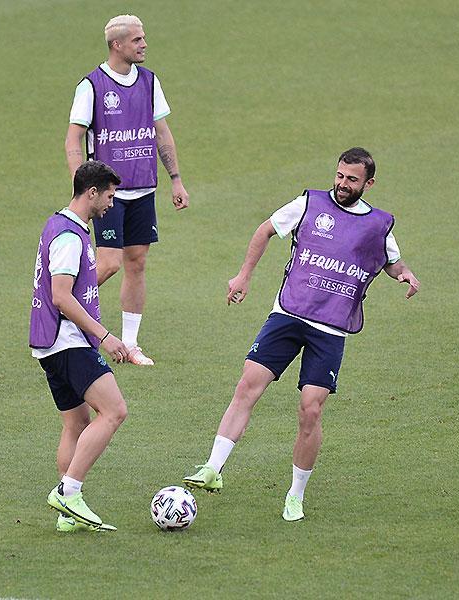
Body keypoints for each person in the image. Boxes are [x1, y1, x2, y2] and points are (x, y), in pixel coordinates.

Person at [183, 148, 420, 521]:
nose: (342, 184)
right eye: (340, 175)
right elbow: (265, 230)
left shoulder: (378, 224)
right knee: (247, 385)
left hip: (330, 328)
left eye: (352, 179)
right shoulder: (309, 204)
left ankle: (295, 494)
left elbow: (391, 261)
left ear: (369, 184)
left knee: (310, 409)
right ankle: (213, 468)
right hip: (289, 314)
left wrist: (404, 273)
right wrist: (244, 275)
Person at [65, 14, 190, 366]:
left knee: (137, 262)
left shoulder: (149, 82)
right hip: (107, 194)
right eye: (137, 39)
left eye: (143, 38)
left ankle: (131, 345)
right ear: (117, 45)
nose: (144, 44)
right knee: (108, 263)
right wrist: (82, 186)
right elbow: (73, 139)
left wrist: (176, 179)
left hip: (143, 188)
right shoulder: (91, 86)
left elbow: (162, 133)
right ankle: (61, 305)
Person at [30, 160, 130, 532]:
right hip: (67, 342)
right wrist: (105, 336)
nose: (111, 204)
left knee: (76, 424)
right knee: (114, 411)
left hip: (50, 344)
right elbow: (61, 296)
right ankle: (69, 492)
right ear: (92, 192)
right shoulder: (70, 237)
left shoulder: (59, 225)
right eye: (109, 196)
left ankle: (66, 514)